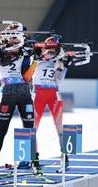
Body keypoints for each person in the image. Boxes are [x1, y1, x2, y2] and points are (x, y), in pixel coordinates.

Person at [0, 24, 35, 170]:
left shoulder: (24, 52)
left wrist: (34, 58)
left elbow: (27, 77)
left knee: (28, 128)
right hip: (7, 92)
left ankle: (30, 160)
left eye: (18, 38)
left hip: (23, 91)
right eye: (13, 37)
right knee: (1, 130)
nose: (16, 42)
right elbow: (2, 60)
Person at [23, 36, 70, 169]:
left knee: (60, 127)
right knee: (33, 128)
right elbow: (27, 76)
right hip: (38, 94)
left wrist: (63, 66)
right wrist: (36, 60)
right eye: (48, 50)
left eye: (53, 51)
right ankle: (32, 158)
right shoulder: (36, 58)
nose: (50, 53)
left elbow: (59, 80)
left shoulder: (57, 60)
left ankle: (65, 156)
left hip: (54, 94)